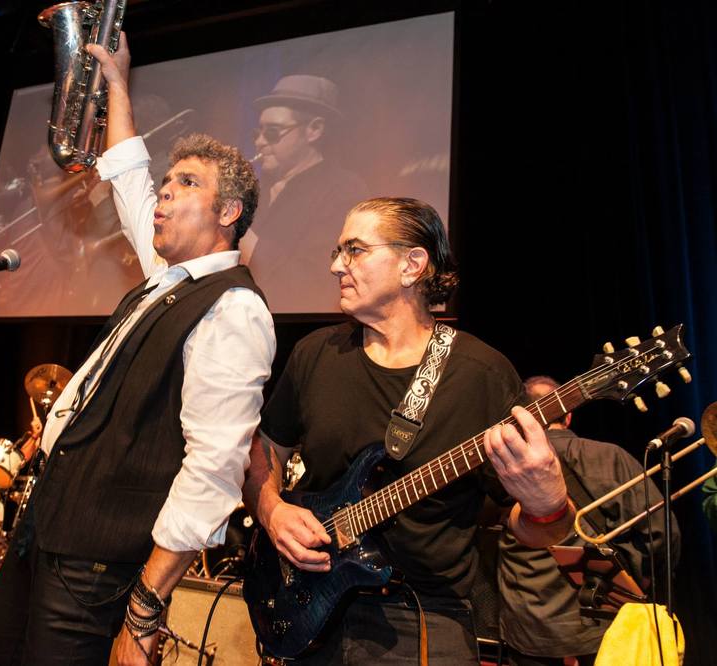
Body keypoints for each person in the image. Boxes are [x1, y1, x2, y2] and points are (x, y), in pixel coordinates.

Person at [0, 34, 275, 666]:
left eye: (186, 183)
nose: (163, 192)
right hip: (46, 526)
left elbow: (215, 466)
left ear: (228, 212)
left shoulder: (234, 308)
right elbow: (128, 175)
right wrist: (116, 83)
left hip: (96, 559)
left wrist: (146, 605)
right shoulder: (166, 277)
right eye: (167, 182)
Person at [241, 197, 574, 664]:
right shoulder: (315, 353)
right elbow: (264, 450)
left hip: (424, 623)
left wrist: (547, 505)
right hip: (312, 611)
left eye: (355, 250)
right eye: (338, 251)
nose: (336, 265)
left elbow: (538, 532)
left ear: (412, 265)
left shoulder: (480, 374)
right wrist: (272, 510)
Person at [498, 375, 679, 666]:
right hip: (600, 628)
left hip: (528, 630)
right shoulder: (610, 457)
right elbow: (660, 534)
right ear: (568, 416)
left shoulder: (501, 467)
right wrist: (637, 587)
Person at [245, 74, 369, 312]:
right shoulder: (257, 189)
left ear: (314, 130)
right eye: (257, 133)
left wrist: (240, 234)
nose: (259, 142)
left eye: (272, 132)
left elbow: (318, 279)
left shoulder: (345, 190)